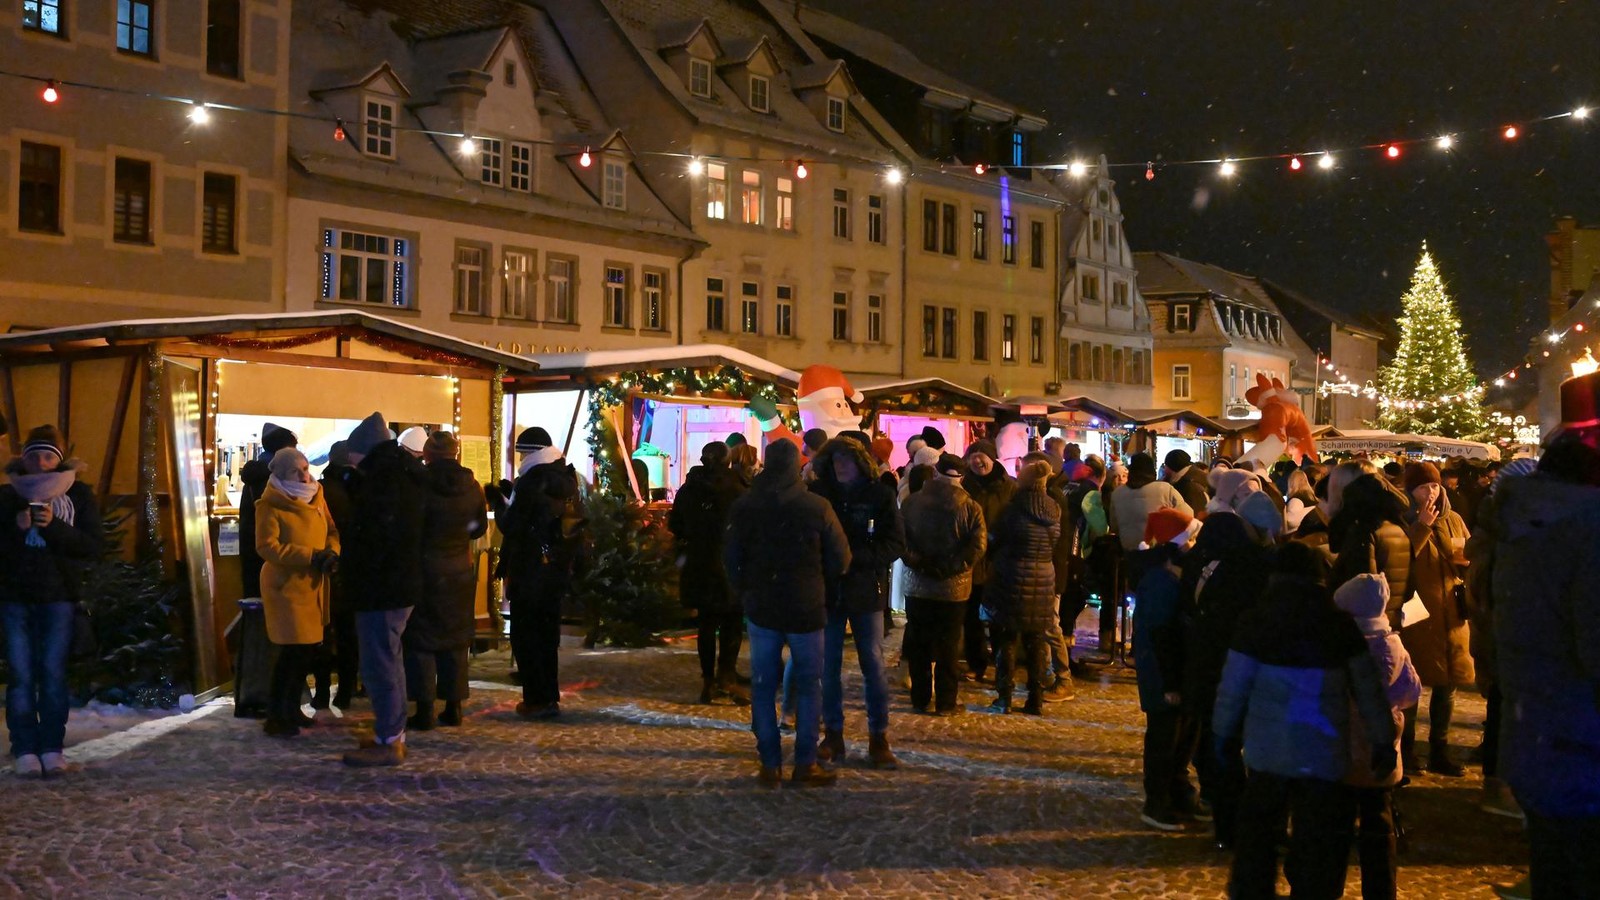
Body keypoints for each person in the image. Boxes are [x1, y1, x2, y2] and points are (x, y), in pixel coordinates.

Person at [1214, 543, 1398, 900]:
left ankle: (1252, 892)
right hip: (1322, 750)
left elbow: (1233, 688)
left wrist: (1222, 735)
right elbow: (1369, 691)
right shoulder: (1338, 625)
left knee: (1258, 837)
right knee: (1319, 844)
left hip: (1268, 751)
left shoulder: (1256, 621)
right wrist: (1382, 739)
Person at [1489, 434, 1600, 897]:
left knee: (1553, 862)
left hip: (1534, 725)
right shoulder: (1586, 530)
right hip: (1583, 734)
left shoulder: (1523, 524)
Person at [724, 439, 850, 787]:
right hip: (805, 605)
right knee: (809, 685)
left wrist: (745, 590)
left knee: (763, 684)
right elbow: (841, 558)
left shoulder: (746, 505)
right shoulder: (816, 506)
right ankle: (805, 762)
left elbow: (731, 557)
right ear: (797, 466)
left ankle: (770, 764)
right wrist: (821, 581)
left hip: (762, 605)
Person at [0, 425, 102, 777]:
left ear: (59, 460)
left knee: (53, 675)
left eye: (48, 456)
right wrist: (15, 529)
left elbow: (92, 547)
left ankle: (51, 748)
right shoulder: (7, 497)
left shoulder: (78, 495)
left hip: (59, 597)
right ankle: (25, 749)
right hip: (14, 599)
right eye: (34, 456)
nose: (41, 464)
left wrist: (55, 526)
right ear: (23, 459)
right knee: (21, 676)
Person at [335, 412, 428, 767]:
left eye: (353, 455)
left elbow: (374, 538)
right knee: (390, 658)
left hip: (381, 587)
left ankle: (389, 738)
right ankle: (391, 732)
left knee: (380, 663)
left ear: (364, 451)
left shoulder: (382, 481)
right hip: (399, 583)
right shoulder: (400, 474)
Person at [809, 437, 905, 768]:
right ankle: (833, 735)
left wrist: (855, 558)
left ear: (860, 463)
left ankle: (878, 737)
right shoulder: (821, 494)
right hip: (830, 589)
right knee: (828, 667)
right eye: (835, 460)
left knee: (873, 665)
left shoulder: (879, 495)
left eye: (846, 460)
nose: (840, 466)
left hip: (866, 589)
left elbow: (894, 542)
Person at [1334, 573, 1422, 900]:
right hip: (1382, 748)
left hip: (1344, 747)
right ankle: (1381, 890)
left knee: (1337, 824)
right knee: (1379, 823)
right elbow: (1411, 689)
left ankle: (1327, 886)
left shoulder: (1340, 646)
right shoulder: (1391, 643)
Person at [491, 427, 584, 722]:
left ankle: (535, 700)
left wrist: (498, 502)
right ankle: (549, 696)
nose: (520, 459)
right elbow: (545, 516)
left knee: (526, 636)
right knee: (546, 636)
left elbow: (512, 525)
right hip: (555, 569)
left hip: (529, 569)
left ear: (530, 453)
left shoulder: (532, 480)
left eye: (522, 453)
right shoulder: (566, 476)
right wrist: (513, 494)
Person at [404, 431, 487, 731]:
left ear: (427, 454)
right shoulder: (472, 486)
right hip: (460, 571)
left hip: (425, 570)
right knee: (455, 638)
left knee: (421, 640)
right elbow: (478, 528)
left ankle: (424, 709)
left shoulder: (418, 484)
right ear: (456, 453)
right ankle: (454, 707)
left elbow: (411, 526)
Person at [254, 447, 340, 738]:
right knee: (291, 652)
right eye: (295, 471)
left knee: (306, 651)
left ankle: (291, 709)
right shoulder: (270, 505)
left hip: (313, 584)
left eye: (305, 468)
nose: (304, 476)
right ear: (281, 475)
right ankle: (277, 715)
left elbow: (331, 531)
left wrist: (331, 553)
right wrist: (309, 556)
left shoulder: (317, 496)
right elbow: (267, 546)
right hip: (286, 587)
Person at [1397, 462, 1473, 777]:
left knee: (1448, 684)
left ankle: (1440, 749)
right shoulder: (1403, 519)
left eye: (1434, 485)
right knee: (1412, 684)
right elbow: (1400, 559)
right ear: (1410, 491)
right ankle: (1407, 750)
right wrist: (1422, 526)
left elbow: (1467, 551)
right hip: (1419, 613)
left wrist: (1466, 562)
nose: (1431, 492)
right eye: (1423, 487)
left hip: (1452, 612)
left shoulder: (1453, 519)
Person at [1132, 507, 1203, 831]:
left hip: (1168, 668)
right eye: (1191, 538)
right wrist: (1171, 682)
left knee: (1179, 736)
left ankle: (1176, 795)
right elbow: (1162, 633)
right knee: (1165, 738)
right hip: (1162, 672)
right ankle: (1157, 803)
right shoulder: (1162, 579)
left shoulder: (1168, 572)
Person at [901, 453, 986, 716]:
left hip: (918, 585)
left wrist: (922, 564)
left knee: (919, 642)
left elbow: (901, 541)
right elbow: (978, 546)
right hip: (954, 589)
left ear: (936, 472)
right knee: (949, 645)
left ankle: (920, 698)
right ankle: (946, 702)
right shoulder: (970, 507)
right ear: (961, 477)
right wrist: (950, 568)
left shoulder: (912, 502)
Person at [668, 441, 749, 705]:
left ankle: (708, 680)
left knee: (706, 623)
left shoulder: (689, 489)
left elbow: (675, 524)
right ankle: (726, 676)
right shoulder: (738, 488)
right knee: (731, 622)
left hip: (699, 562)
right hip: (730, 563)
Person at [985, 458, 1062, 716]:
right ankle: (1035, 698)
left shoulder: (1012, 509)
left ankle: (1004, 696)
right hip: (1044, 577)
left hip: (1012, 576)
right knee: (1036, 640)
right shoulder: (1054, 510)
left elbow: (995, 539)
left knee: (1006, 637)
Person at [961, 439, 1016, 683]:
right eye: (972, 456)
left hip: (998, 561)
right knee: (971, 617)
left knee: (999, 619)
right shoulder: (964, 485)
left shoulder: (1009, 487)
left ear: (992, 458)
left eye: (981, 455)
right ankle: (976, 663)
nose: (977, 460)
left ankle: (1002, 667)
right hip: (972, 562)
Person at [318, 441, 360, 709]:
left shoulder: (320, 490)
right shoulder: (362, 488)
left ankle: (322, 691)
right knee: (348, 635)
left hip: (324, 566)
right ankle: (346, 689)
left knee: (321, 632)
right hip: (354, 569)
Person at [237, 422, 298, 604]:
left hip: (253, 546)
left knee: (256, 598)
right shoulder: (273, 477)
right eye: (293, 447)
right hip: (271, 551)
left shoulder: (258, 473)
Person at [1111, 452, 1193, 553]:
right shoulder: (1165, 489)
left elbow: (1114, 525)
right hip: (1160, 551)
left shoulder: (1117, 494)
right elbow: (1188, 515)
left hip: (1129, 552)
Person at [1163, 449, 1211, 514]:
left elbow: (1194, 515)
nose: (1164, 470)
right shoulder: (1192, 478)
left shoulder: (1190, 486)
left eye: (1165, 466)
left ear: (1171, 467)